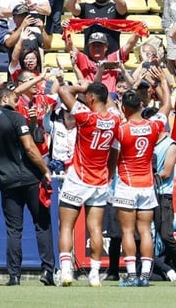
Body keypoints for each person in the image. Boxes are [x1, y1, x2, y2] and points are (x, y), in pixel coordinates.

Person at [0, 85, 54, 286]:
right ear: (5, 99)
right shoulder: (15, 117)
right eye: (15, 98)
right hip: (29, 177)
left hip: (7, 180)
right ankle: (47, 270)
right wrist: (44, 170)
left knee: (13, 229)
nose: (17, 102)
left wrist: (30, 124)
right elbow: (29, 148)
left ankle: (14, 275)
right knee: (42, 224)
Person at [53, 80, 120, 287]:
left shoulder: (85, 116)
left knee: (66, 226)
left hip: (78, 178)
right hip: (100, 180)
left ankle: (66, 271)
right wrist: (98, 90)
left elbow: (63, 90)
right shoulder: (115, 118)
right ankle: (94, 274)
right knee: (96, 229)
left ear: (90, 98)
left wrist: (85, 87)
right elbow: (114, 153)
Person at [110, 89, 166, 287]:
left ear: (124, 108)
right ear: (141, 105)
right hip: (147, 185)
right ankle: (145, 276)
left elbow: (113, 159)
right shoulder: (153, 125)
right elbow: (167, 107)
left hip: (127, 183)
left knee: (127, 231)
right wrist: (163, 85)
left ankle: (132, 275)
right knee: (145, 231)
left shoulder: (121, 129)